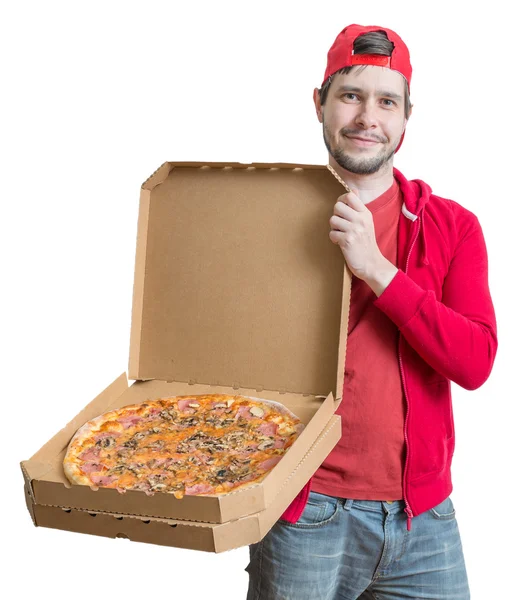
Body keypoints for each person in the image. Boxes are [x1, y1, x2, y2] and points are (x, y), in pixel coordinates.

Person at [245, 23, 498, 600]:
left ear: (407, 117)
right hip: (303, 513)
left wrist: (377, 269)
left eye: (387, 101)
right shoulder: (261, 220)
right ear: (320, 104)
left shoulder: (452, 227)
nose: (368, 117)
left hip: (422, 519)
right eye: (351, 96)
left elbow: (476, 361)